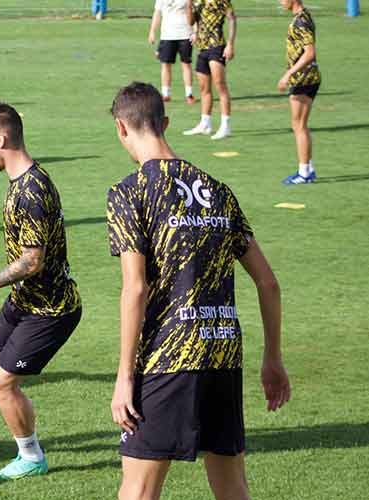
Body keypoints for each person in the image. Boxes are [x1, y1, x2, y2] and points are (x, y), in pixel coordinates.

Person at [106, 82, 291, 500]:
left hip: (168, 357)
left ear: (121, 128)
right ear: (165, 123)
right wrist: (273, 359)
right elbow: (268, 282)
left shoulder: (129, 192)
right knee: (232, 488)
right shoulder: (218, 191)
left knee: (137, 490)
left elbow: (135, 288)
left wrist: (124, 376)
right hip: (223, 353)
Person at [0, 103, 82, 481]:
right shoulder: (19, 181)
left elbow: (33, 261)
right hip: (25, 300)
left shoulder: (32, 190)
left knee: (2, 382)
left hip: (51, 308)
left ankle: (31, 456)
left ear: (0, 138)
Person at [277, 0, 321, 185]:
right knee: (300, 124)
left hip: (303, 80)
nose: (280, 2)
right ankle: (308, 168)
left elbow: (310, 52)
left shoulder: (300, 21)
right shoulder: (303, 16)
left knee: (299, 125)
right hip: (307, 78)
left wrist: (288, 74)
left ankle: (304, 173)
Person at [183, 0, 235, 140]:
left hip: (217, 46)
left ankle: (226, 125)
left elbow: (231, 19)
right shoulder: (198, 1)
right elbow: (191, 21)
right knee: (204, 88)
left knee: (220, 86)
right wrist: (188, 5)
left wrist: (230, 44)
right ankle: (205, 124)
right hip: (202, 48)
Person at [148, 0, 195, 104]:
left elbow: (195, 11)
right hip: (167, 36)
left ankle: (189, 94)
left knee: (186, 64)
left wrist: (195, 32)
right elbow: (157, 13)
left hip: (186, 34)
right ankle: (166, 94)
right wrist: (152, 31)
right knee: (165, 65)